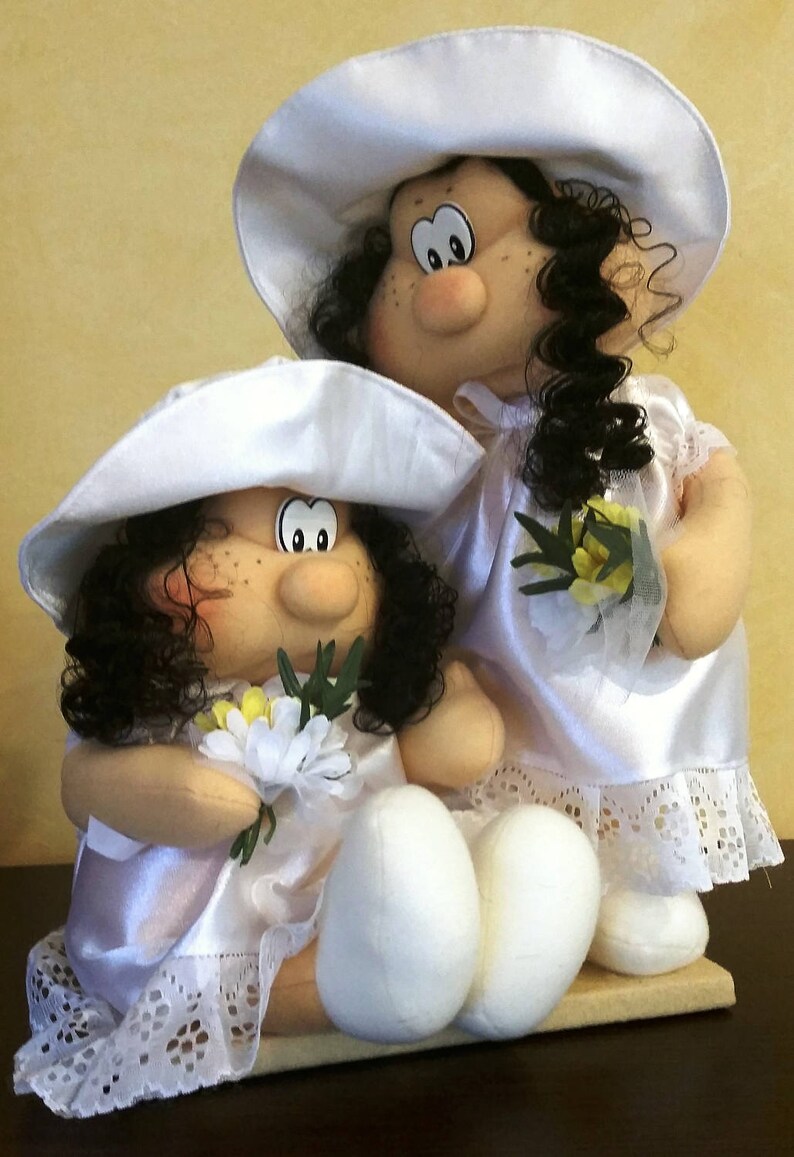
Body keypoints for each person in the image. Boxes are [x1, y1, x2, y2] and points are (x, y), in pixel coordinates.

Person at [232, 28, 783, 977]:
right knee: (459, 833)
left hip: (631, 703)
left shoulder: (651, 420)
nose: (442, 289)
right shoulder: (434, 454)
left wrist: (696, 571)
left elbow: (719, 495)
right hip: (482, 729)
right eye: (417, 255)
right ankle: (498, 880)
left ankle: (631, 879)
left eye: (463, 243)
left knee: (636, 915)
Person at [15, 356, 600, 1116]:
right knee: (400, 845)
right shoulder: (160, 713)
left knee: (474, 840)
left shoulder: (351, 696)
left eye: (322, 534)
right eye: (278, 536)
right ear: (150, 573)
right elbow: (90, 783)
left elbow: (446, 753)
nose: (315, 576)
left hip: (363, 880)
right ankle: (363, 980)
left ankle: (494, 974)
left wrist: (451, 716)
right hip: (215, 921)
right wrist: (181, 793)